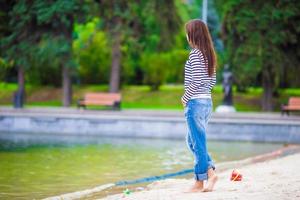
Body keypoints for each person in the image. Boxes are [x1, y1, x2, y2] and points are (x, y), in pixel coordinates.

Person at [181, 19, 218, 192]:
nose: (186, 36)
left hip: (195, 102)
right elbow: (212, 81)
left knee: (197, 142)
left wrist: (186, 97)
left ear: (193, 34)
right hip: (207, 101)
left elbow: (197, 80)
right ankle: (210, 173)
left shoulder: (195, 54)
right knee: (193, 141)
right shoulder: (208, 53)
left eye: (187, 32)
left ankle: (199, 182)